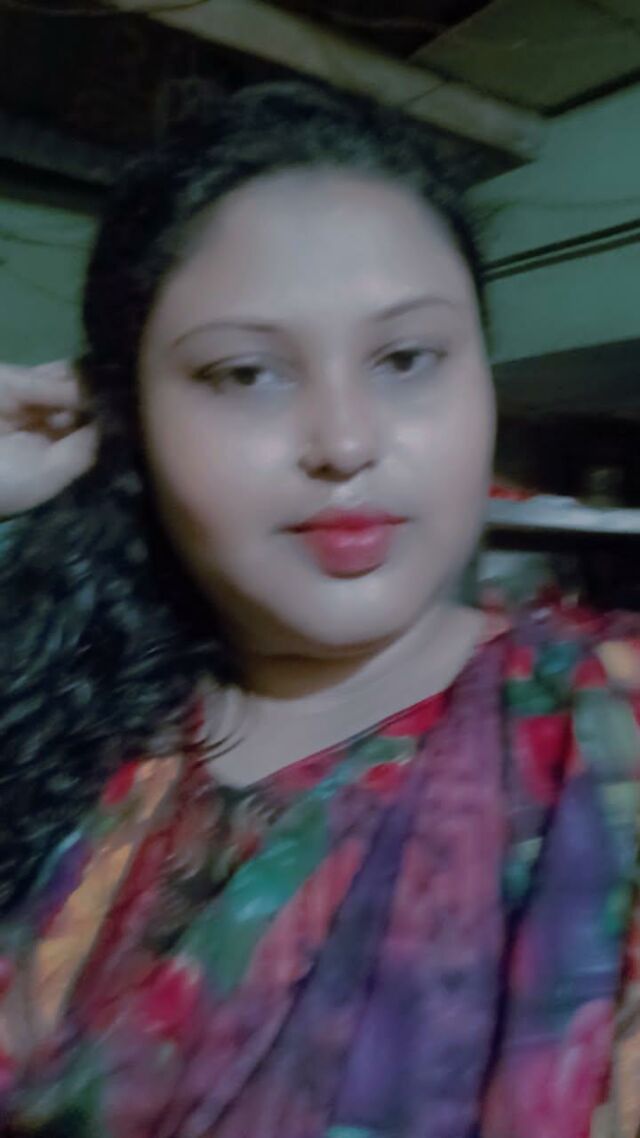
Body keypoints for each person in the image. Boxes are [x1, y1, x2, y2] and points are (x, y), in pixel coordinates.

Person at [0, 80, 638, 1138]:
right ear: (129, 417)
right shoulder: (61, 722)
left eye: (405, 360)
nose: (344, 442)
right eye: (245, 373)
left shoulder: (607, 729)